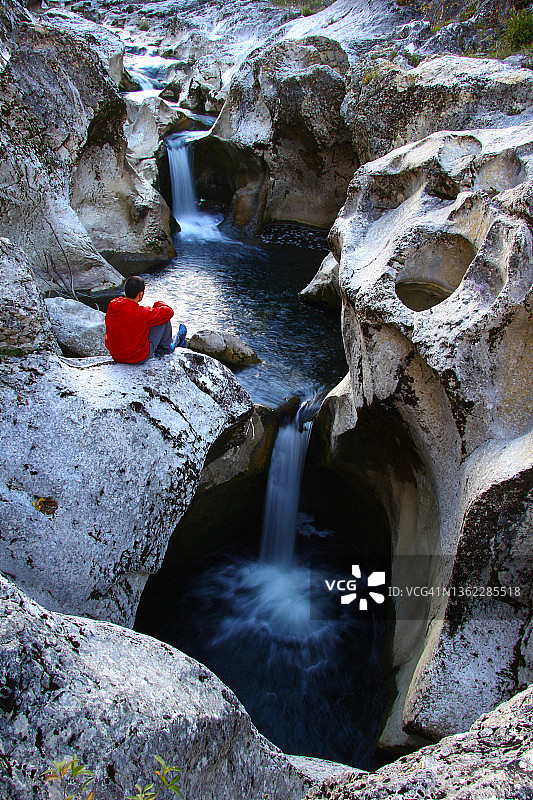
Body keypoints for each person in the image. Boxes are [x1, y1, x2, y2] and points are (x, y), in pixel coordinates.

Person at [105, 275, 182, 364]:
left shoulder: (113, 304)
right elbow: (168, 312)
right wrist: (159, 303)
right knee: (163, 319)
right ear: (140, 294)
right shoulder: (142, 313)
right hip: (137, 358)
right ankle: (165, 349)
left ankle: (170, 343)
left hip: (116, 356)